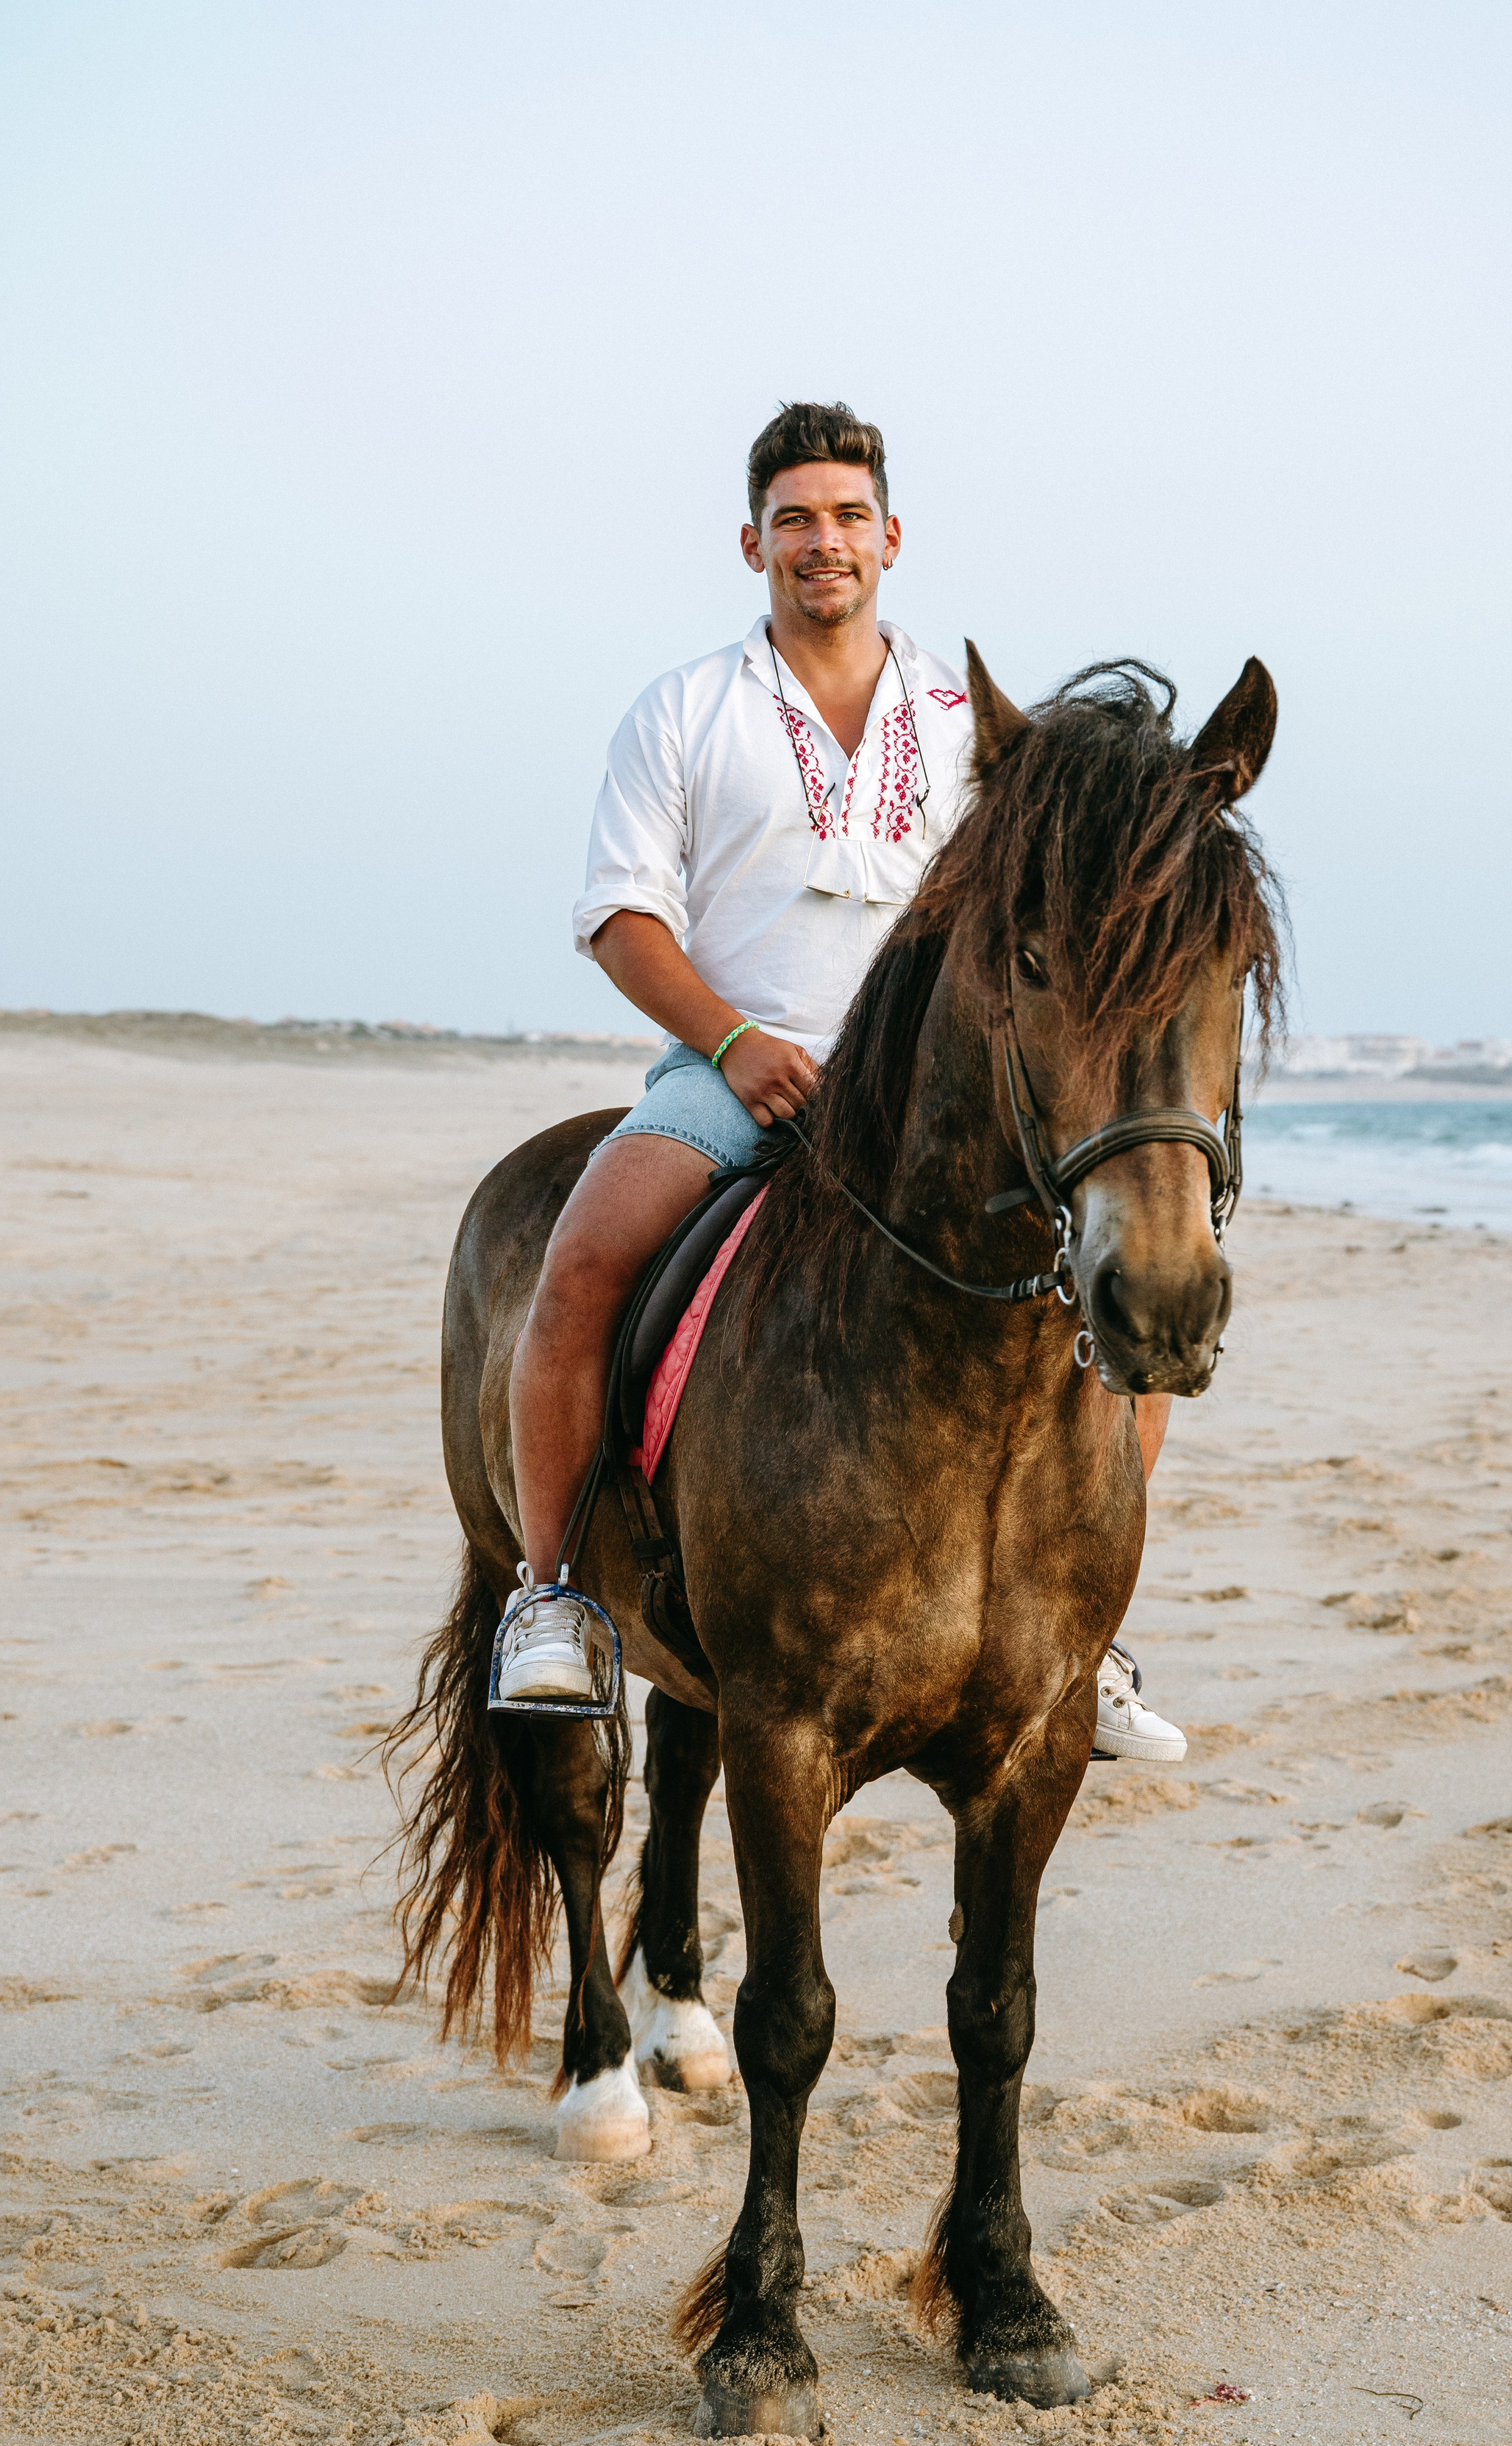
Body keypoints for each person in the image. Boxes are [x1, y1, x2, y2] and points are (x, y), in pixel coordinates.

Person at [497, 400, 1185, 1764]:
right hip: (732, 1073)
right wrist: (735, 1044)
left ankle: (1083, 1636)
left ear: (893, 538)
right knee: (577, 1271)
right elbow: (623, 921)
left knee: (1128, 1305)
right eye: (798, 520)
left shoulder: (976, 724)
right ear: (754, 540)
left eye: (849, 518)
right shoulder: (685, 710)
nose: (826, 543)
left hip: (933, 1099)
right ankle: (555, 1599)